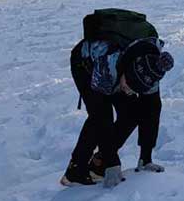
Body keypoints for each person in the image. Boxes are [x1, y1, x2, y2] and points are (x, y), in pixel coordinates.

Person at [62, 18, 174, 188]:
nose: (129, 91)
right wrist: (113, 161)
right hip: (85, 64)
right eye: (128, 86)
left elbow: (152, 110)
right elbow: (101, 116)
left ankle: (99, 163)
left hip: (120, 69)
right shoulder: (109, 65)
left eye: (135, 90)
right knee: (100, 115)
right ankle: (75, 171)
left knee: (133, 112)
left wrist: (146, 157)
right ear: (125, 74)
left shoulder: (152, 70)